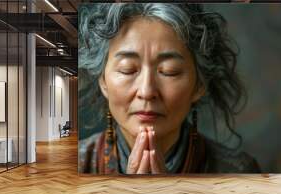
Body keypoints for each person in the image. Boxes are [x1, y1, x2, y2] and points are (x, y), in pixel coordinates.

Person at [78, 3, 261, 174]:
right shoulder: (76, 163)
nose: (147, 91)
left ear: (199, 85)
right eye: (128, 69)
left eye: (169, 71)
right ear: (103, 81)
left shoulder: (239, 171)